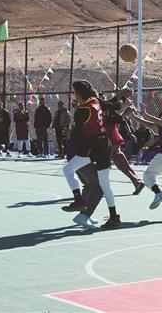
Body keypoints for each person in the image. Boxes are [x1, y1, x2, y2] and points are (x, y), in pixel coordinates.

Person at [64, 81, 125, 230]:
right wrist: (121, 100)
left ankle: (79, 200)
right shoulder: (95, 101)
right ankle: (113, 217)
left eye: (74, 92)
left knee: (68, 170)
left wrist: (70, 135)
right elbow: (111, 105)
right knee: (104, 184)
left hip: (93, 146)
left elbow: (79, 134)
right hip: (103, 144)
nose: (73, 95)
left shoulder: (82, 110)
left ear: (79, 94)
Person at [100, 99, 144, 195]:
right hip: (105, 141)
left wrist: (130, 133)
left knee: (118, 162)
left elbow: (121, 120)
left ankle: (137, 181)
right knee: (119, 164)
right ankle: (137, 182)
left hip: (111, 140)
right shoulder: (97, 109)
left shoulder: (108, 110)